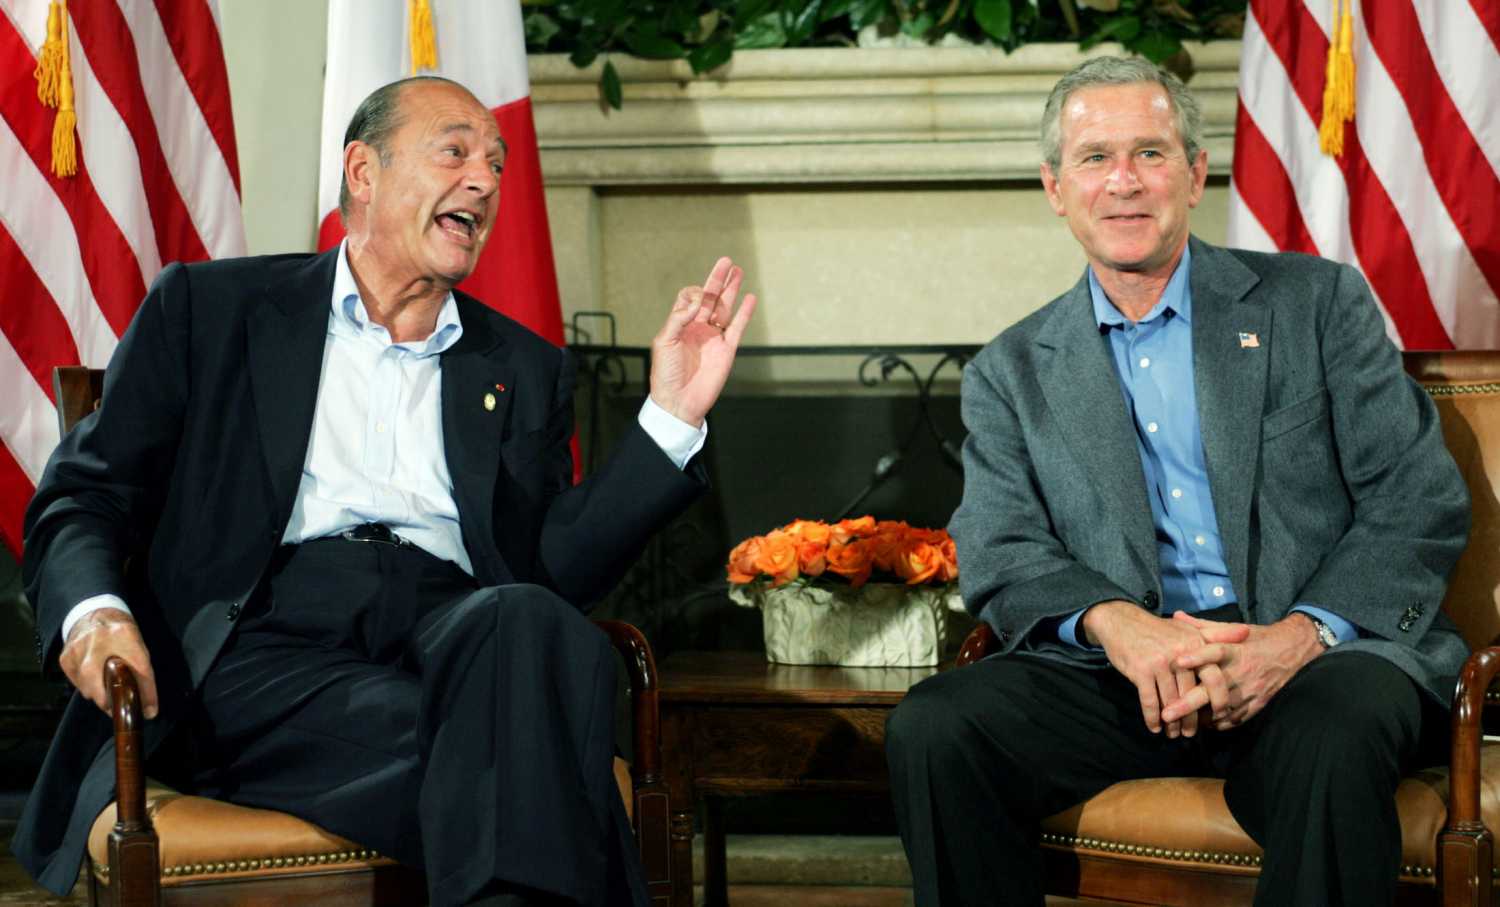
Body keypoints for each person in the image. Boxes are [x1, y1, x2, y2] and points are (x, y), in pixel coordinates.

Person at [16, 75, 756, 907]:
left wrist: (668, 416)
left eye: (497, 164)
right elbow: (83, 497)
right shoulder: (213, 309)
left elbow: (548, 574)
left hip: (451, 635)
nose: (484, 180)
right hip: (262, 650)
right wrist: (95, 615)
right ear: (363, 172)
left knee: (524, 627)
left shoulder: (520, 366)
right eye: (455, 152)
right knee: (534, 746)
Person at [885, 56, 1469, 906]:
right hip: (1126, 673)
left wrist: (1298, 636)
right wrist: (1119, 627)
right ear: (1055, 187)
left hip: (1318, 658)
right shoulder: (1011, 371)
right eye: (1093, 158)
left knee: (1332, 737)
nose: (1123, 181)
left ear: (1195, 174)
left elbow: (1417, 500)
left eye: (1151, 153)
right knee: (935, 728)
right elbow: (1003, 548)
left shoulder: (1317, 304)